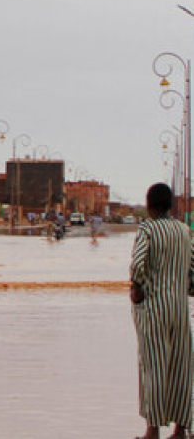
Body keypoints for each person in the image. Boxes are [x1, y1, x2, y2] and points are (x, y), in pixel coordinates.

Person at [130, 182, 194, 439]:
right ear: (170, 205)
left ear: (149, 204)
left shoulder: (147, 228)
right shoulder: (184, 231)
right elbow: (193, 272)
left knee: (153, 366)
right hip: (179, 310)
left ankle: (152, 431)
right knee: (180, 367)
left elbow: (137, 264)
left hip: (153, 309)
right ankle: (181, 430)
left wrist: (137, 287)